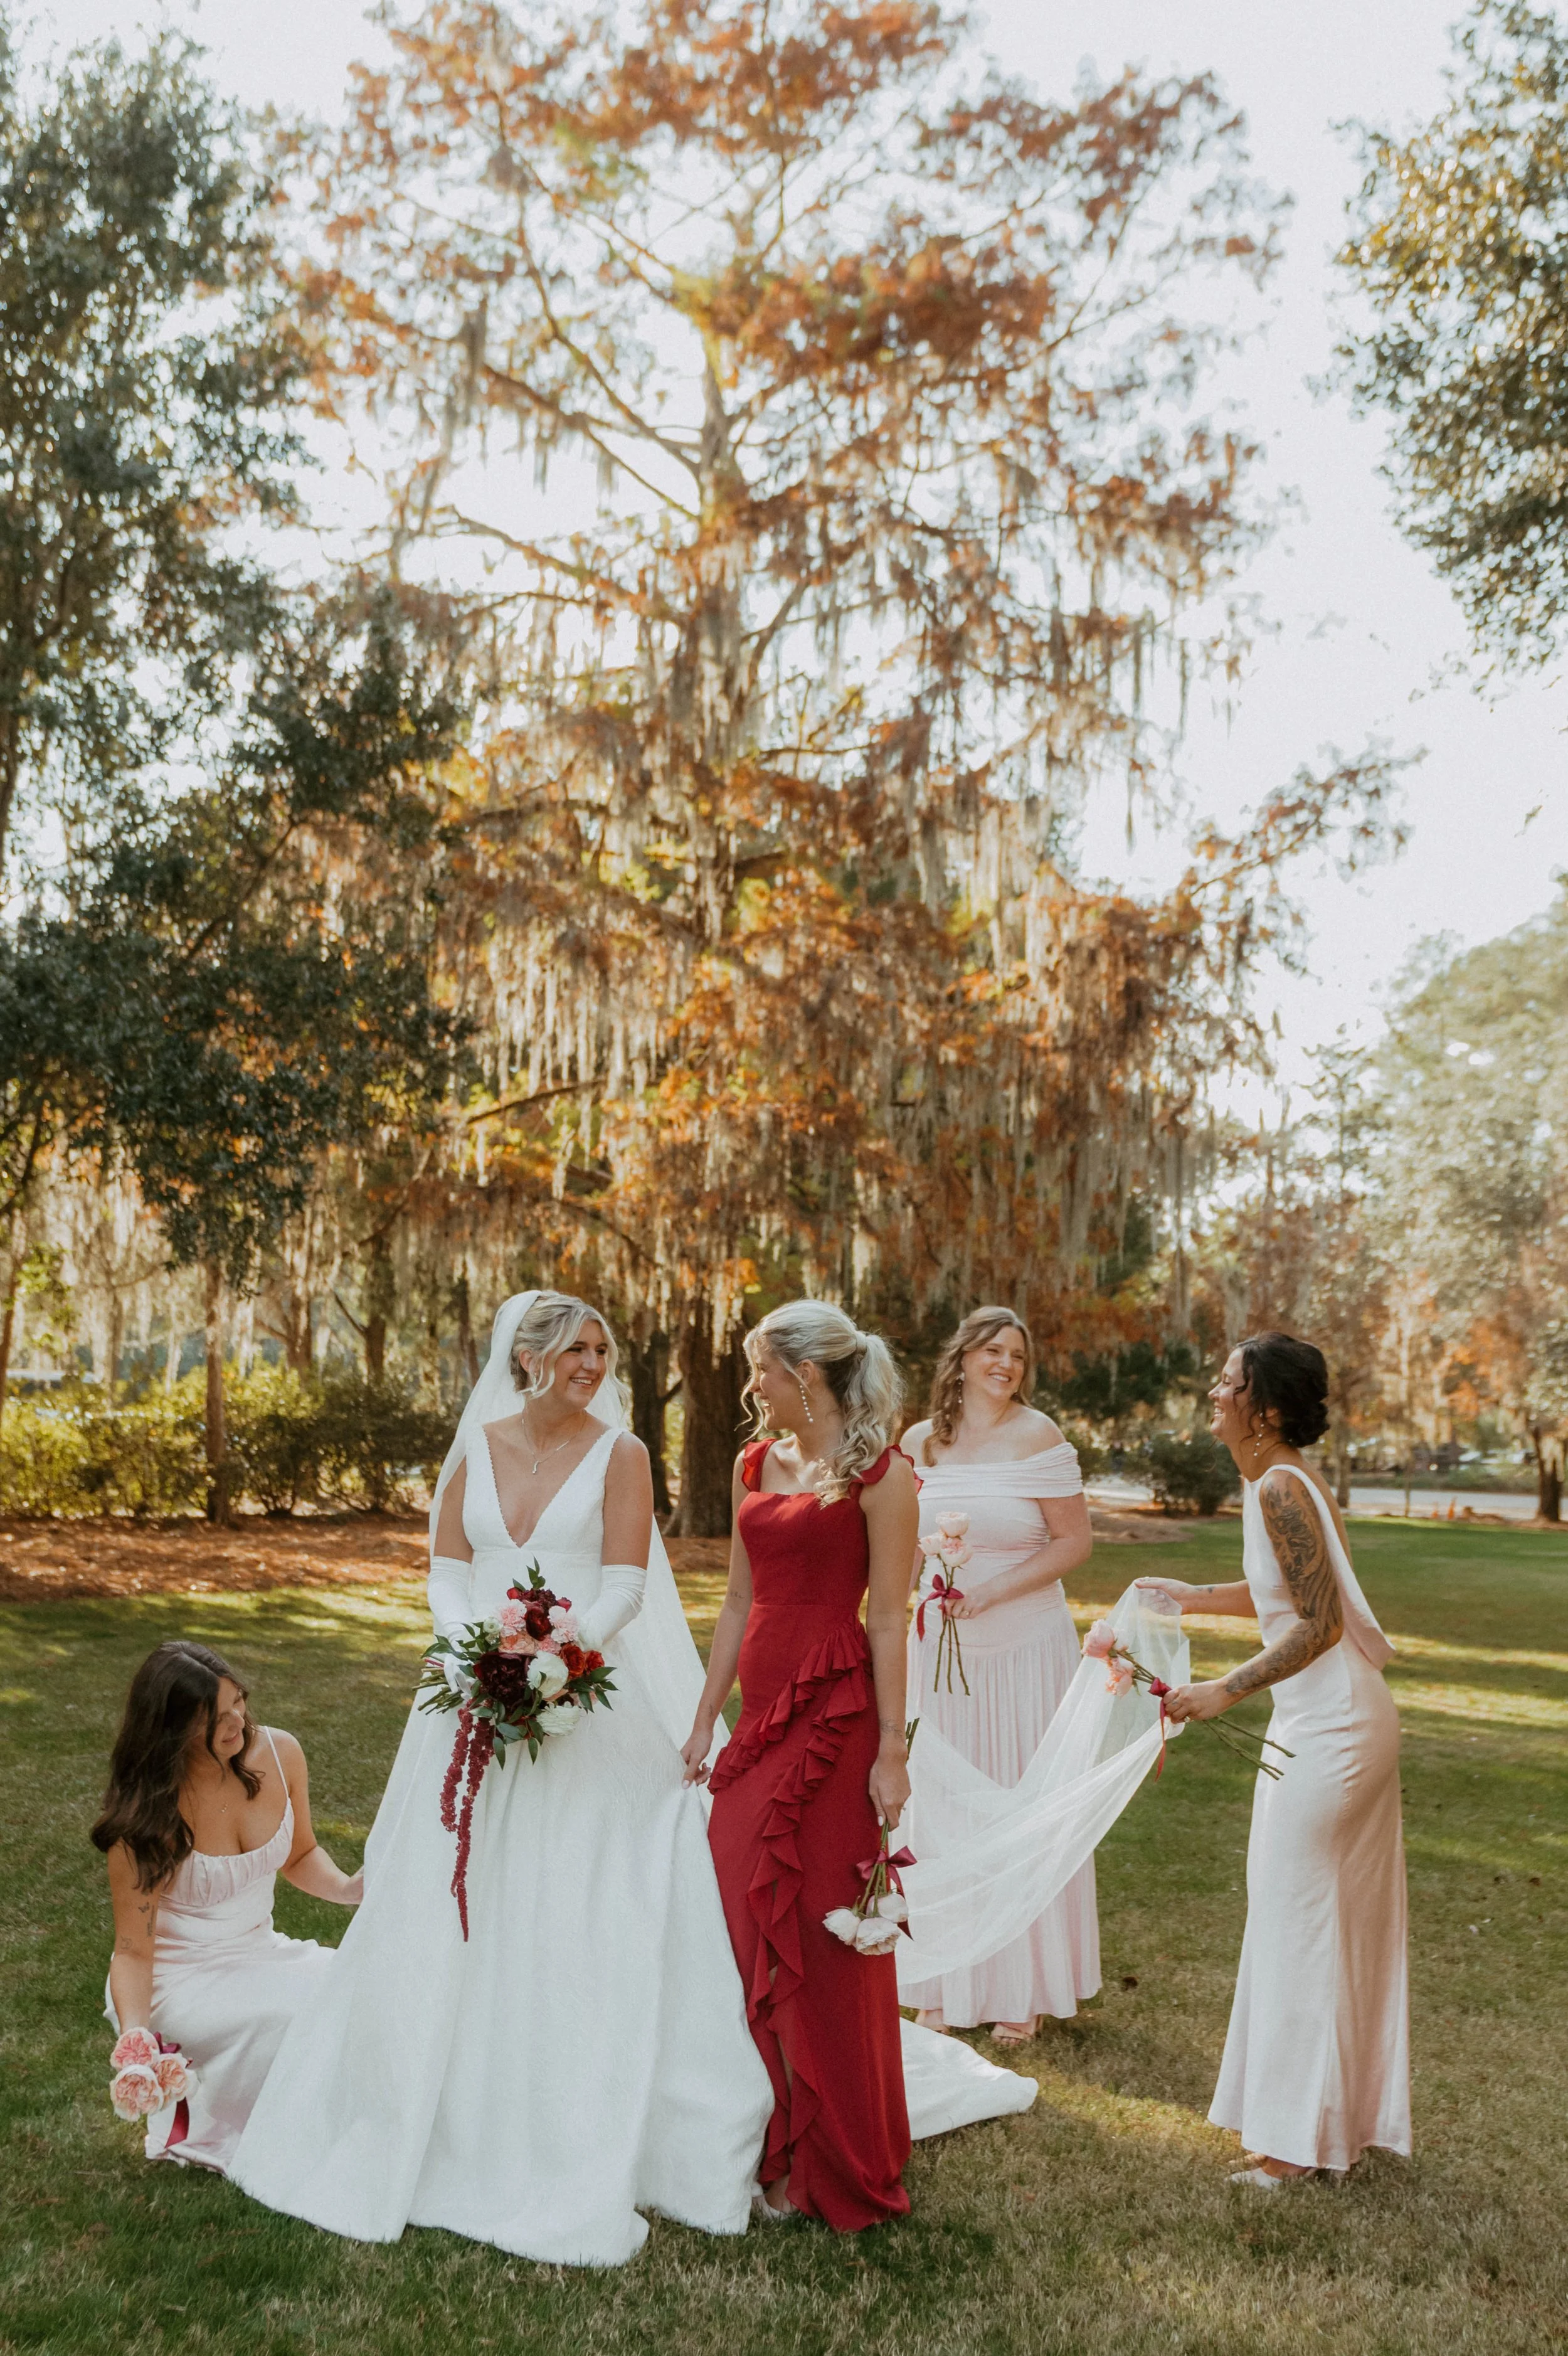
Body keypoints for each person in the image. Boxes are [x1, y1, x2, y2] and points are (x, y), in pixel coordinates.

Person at [230, 1292, 772, 2268]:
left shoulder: (623, 1455)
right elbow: (446, 1566)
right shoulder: (475, 1448)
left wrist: (558, 1654)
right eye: (574, 1349)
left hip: (581, 1695)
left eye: (602, 1350)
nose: (593, 1364)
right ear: (526, 1357)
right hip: (468, 1692)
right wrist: (473, 1647)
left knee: (571, 1892)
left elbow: (626, 1583)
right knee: (448, 1886)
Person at [1140, 1332, 1411, 2186]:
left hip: (1334, 1728)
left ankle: (1295, 2148)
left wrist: (1224, 1690)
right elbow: (1283, 1596)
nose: (1213, 1393)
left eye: (1228, 1382)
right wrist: (1190, 1597)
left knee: (1299, 1924)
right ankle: (1318, 2125)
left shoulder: (1281, 1487)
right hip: (1325, 1720)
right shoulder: (1277, 1481)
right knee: (1299, 1918)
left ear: (1265, 1409)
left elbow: (1319, 1623)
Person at [681, 1300, 921, 2231]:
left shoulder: (882, 1477)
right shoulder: (754, 1463)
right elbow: (738, 1602)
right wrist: (706, 1716)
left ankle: (830, 2158)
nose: (755, 1386)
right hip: (759, 1721)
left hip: (837, 1722)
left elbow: (888, 1617)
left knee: (821, 1938)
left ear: (806, 1374)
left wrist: (892, 1750)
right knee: (743, 1912)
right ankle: (764, 2132)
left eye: (764, 1370)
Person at [898, 1307, 1096, 2046]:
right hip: (940, 1652)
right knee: (942, 1808)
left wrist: (989, 1592)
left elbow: (1073, 1543)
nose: (1006, 1364)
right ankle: (946, 1982)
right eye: (992, 1350)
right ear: (961, 1359)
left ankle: (1023, 1987)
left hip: (1024, 1646)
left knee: (1020, 1803)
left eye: (1017, 1354)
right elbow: (904, 1544)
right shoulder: (919, 1442)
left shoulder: (1039, 1435)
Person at [92, 1640, 361, 2174]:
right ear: (172, 1731)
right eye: (216, 1718)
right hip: (179, 1979)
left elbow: (301, 1854)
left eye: (238, 1701)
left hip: (260, 1953)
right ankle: (300, 2141)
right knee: (289, 2018)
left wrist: (352, 1889)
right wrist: (137, 2041)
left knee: (357, 1987)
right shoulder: (144, 1818)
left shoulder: (281, 1754)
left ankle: (361, 2132)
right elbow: (133, 1952)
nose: (238, 1721)